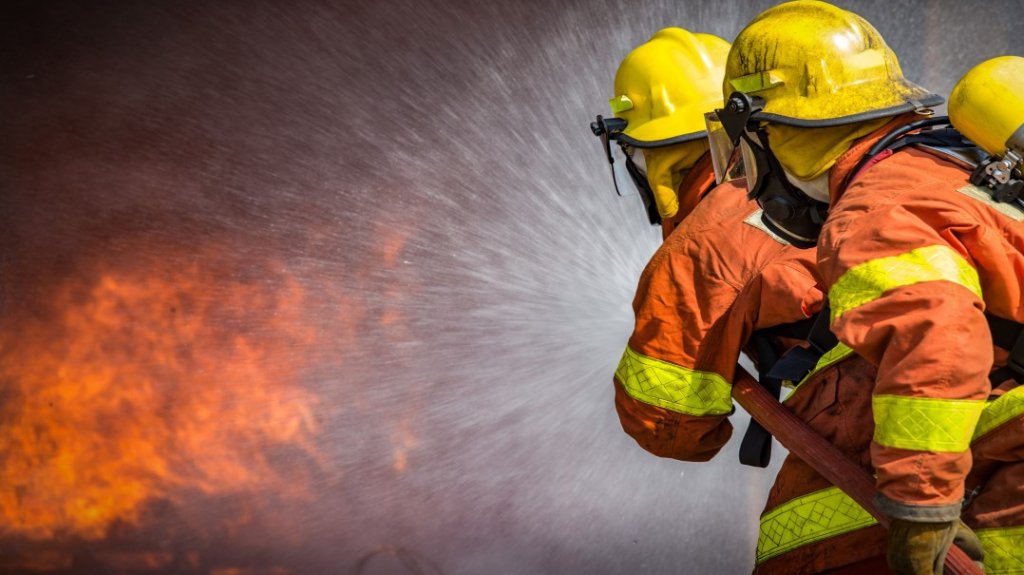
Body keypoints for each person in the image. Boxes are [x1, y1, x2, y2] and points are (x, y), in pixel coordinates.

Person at [714, 1, 1024, 572]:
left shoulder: (868, 213)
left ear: (771, 131)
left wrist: (920, 507)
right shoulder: (944, 160)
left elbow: (938, 335)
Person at [598, 25, 894, 573]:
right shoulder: (838, 172)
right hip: (968, 388)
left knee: (799, 542)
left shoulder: (706, 241)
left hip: (880, 424)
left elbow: (670, 425)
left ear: (650, 157)